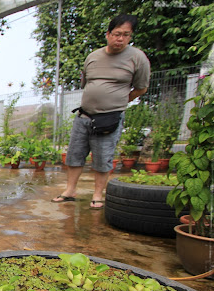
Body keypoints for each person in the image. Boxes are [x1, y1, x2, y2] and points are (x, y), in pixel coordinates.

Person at [52, 14, 150, 209]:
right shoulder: (93, 57)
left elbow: (141, 88)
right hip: (84, 115)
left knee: (102, 157)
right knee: (74, 155)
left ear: (130, 36)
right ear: (108, 34)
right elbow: (87, 83)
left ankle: (98, 195)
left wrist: (119, 102)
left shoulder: (137, 58)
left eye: (125, 35)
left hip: (110, 118)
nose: (120, 39)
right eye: (116, 34)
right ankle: (70, 190)